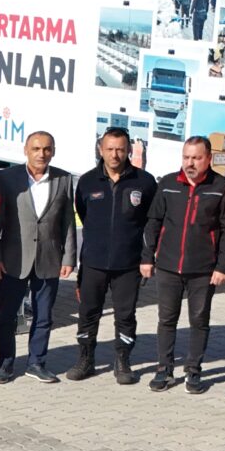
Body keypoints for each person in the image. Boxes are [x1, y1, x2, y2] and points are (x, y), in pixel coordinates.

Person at [141, 137, 225, 395]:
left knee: (199, 320)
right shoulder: (168, 184)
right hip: (168, 266)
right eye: (186, 157)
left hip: (204, 270)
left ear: (208, 159)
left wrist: (223, 266)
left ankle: (193, 370)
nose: (190, 163)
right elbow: (153, 222)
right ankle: (164, 369)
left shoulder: (222, 187)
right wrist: (147, 257)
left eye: (196, 158)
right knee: (166, 319)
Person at [70, 126, 156, 383]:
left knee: (125, 316)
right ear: (100, 149)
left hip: (128, 263)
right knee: (88, 313)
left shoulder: (145, 181)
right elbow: (83, 213)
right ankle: (85, 360)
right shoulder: (87, 181)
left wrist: (147, 257)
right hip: (93, 262)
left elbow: (151, 223)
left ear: (128, 150)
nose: (115, 154)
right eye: (109, 149)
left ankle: (123, 361)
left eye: (120, 149)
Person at [0, 131, 75, 384]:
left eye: (47, 149)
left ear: (53, 151)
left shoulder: (63, 179)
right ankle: (5, 364)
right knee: (6, 316)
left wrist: (69, 258)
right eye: (36, 149)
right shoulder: (7, 178)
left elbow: (68, 221)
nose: (42, 154)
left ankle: (36, 363)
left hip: (49, 258)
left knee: (44, 316)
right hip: (13, 259)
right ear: (25, 150)